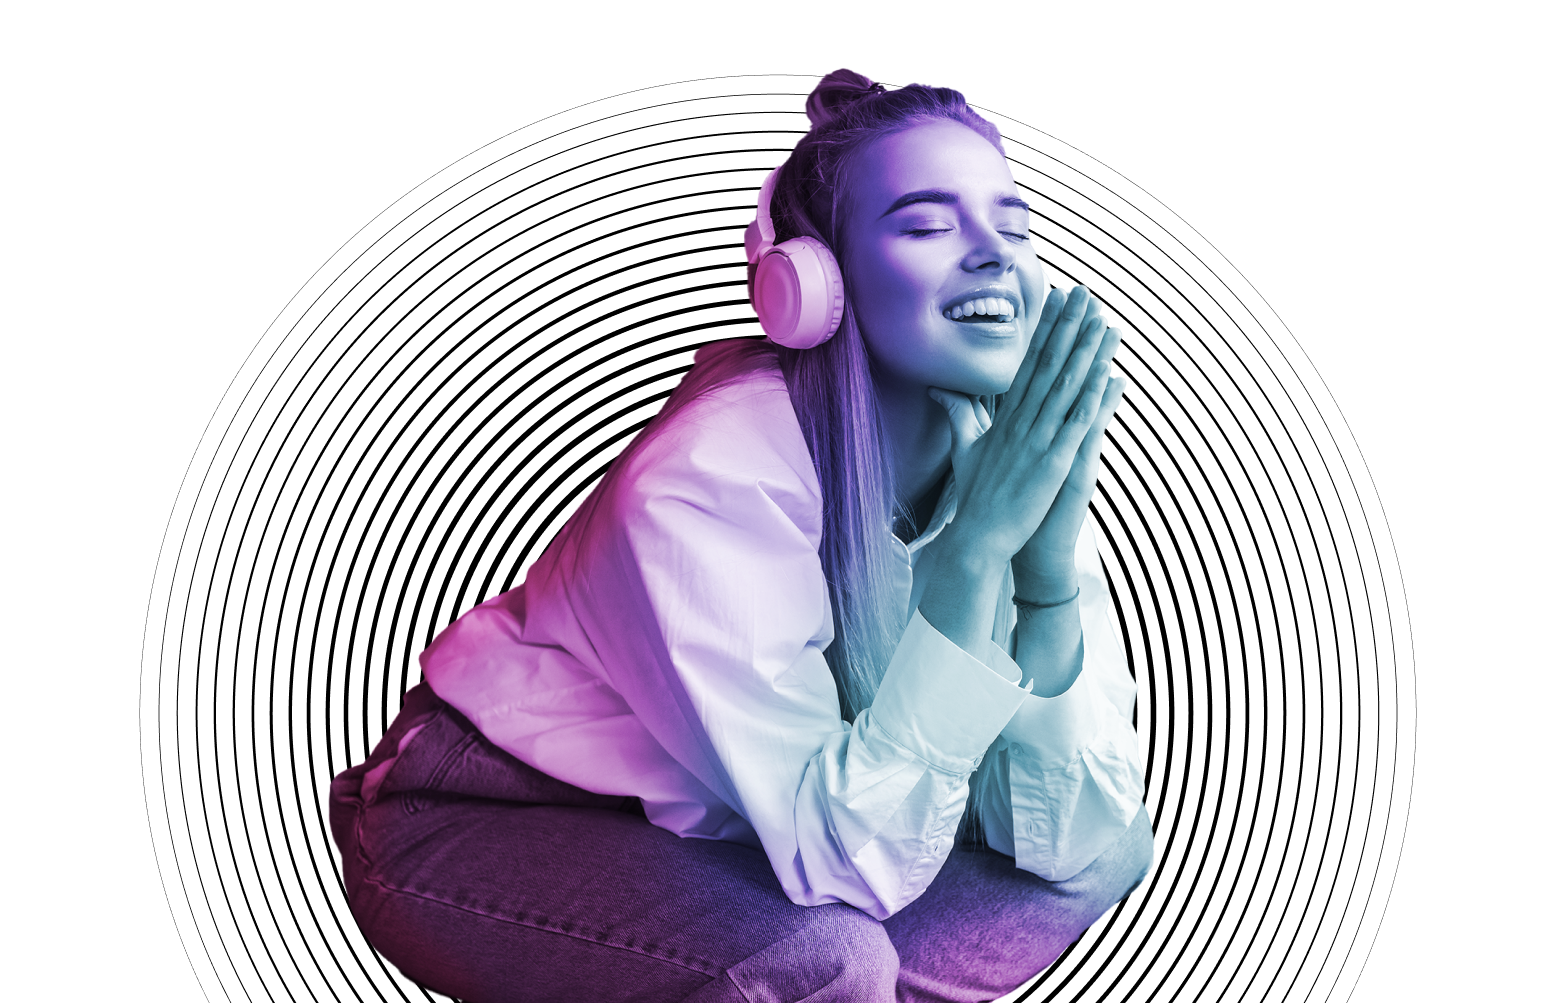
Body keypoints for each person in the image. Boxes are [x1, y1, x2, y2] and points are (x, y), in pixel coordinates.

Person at [328, 68, 1153, 1003]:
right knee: (823, 958)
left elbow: (1074, 828)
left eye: (1011, 226)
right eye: (927, 225)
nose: (993, 256)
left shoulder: (1002, 448)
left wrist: (1043, 573)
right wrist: (974, 559)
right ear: (814, 282)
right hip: (492, 811)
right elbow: (846, 869)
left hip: (768, 826)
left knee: (1104, 848)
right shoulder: (707, 477)